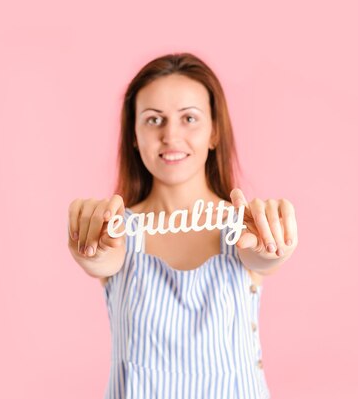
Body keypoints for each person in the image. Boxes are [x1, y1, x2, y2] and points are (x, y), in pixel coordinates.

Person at [67, 52, 298, 399]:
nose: (171, 136)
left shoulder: (244, 229)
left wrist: (274, 247)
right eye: (153, 120)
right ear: (133, 135)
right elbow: (101, 260)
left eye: (189, 118)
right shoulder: (115, 231)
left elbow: (263, 259)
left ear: (214, 132)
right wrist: (89, 249)